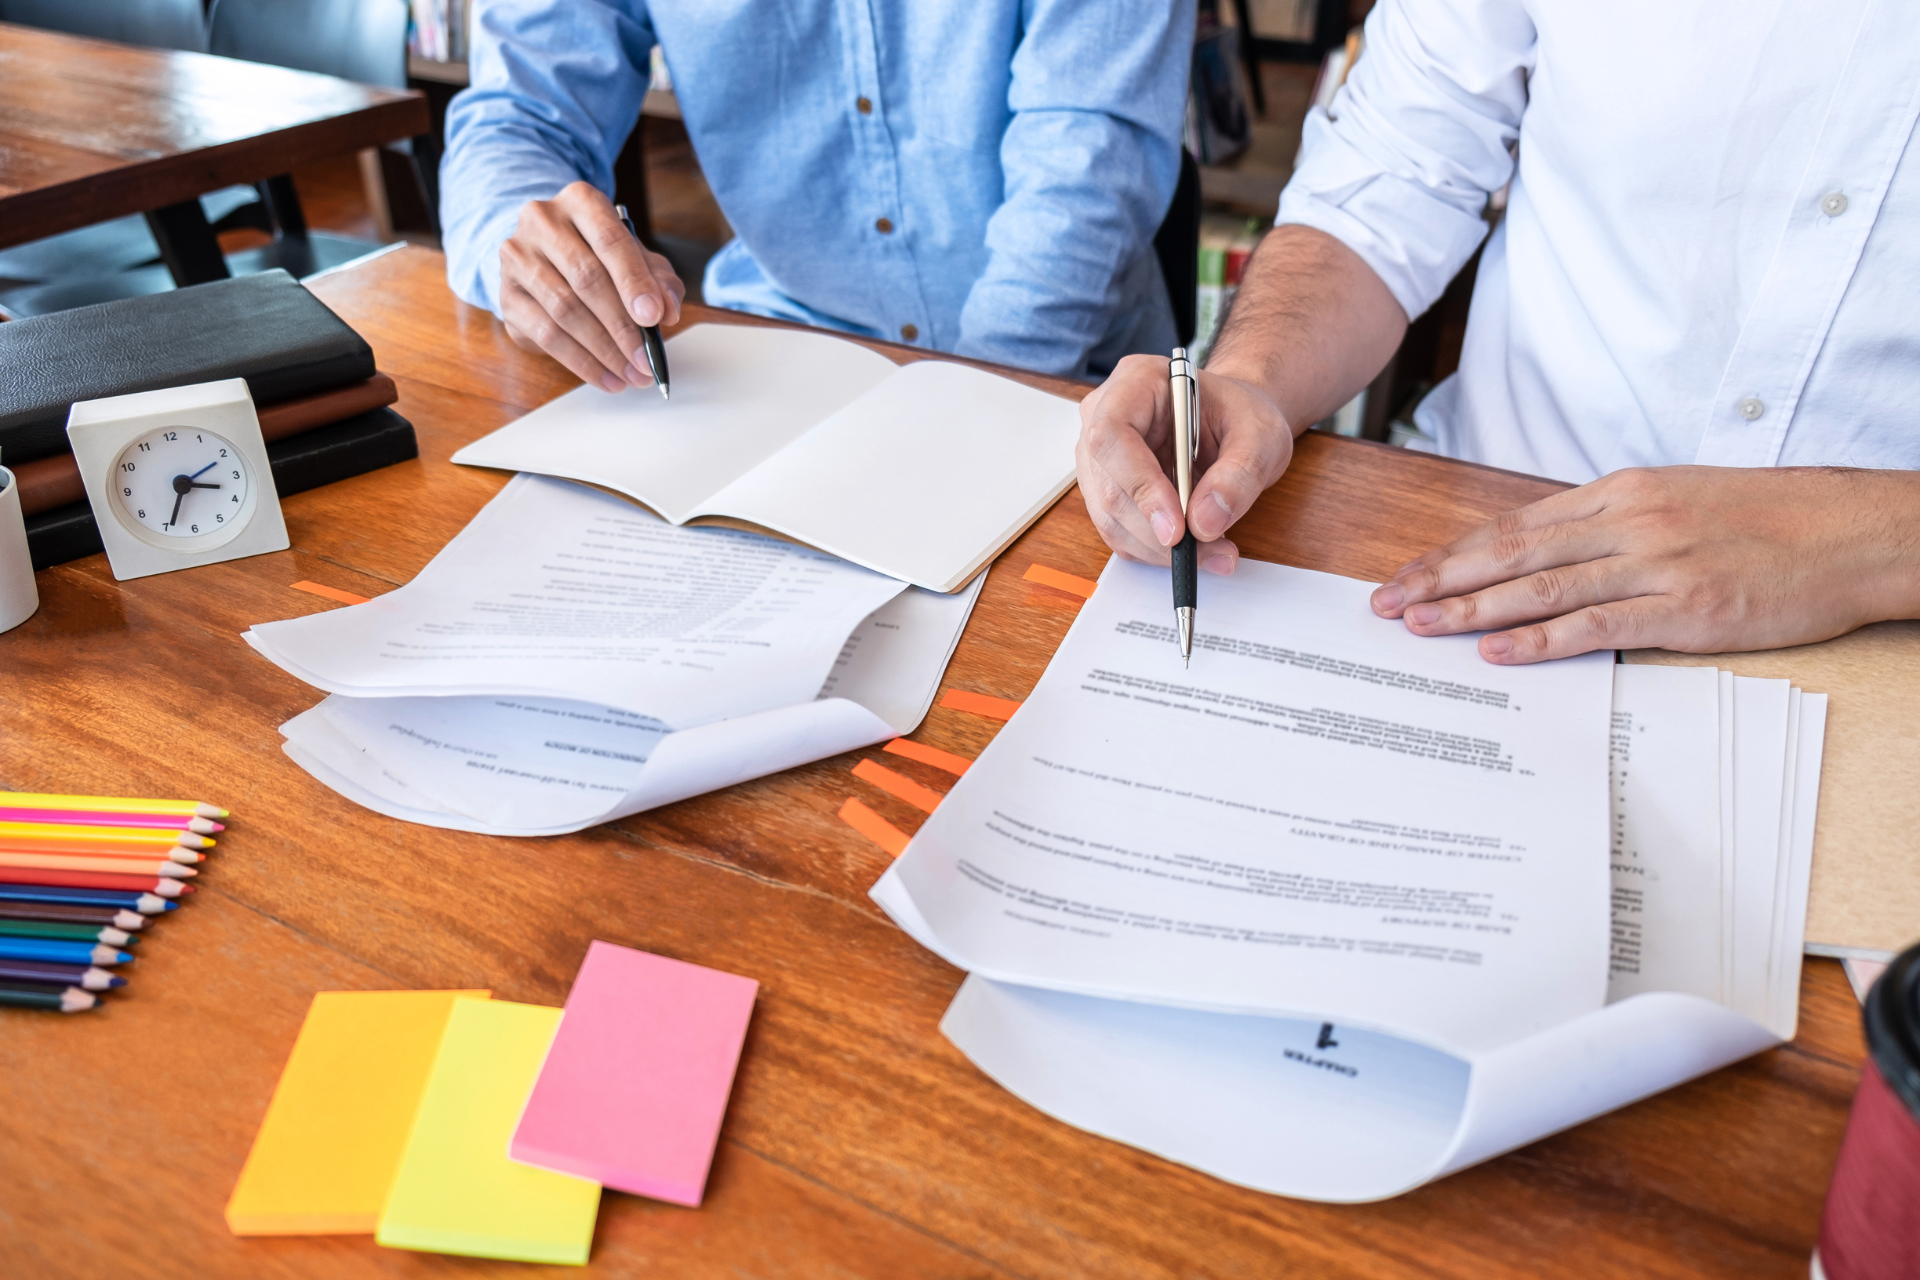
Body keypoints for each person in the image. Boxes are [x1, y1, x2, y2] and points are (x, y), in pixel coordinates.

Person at [1077, 0, 1920, 665]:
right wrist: (1254, 382)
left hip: (1878, 624)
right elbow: (1400, 167)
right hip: (1479, 539)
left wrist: (1872, 539)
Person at [438, 0, 1194, 391]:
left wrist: (970, 412)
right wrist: (526, 249)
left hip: (1065, 376)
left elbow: (1084, 161)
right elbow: (517, 115)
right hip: (775, 355)